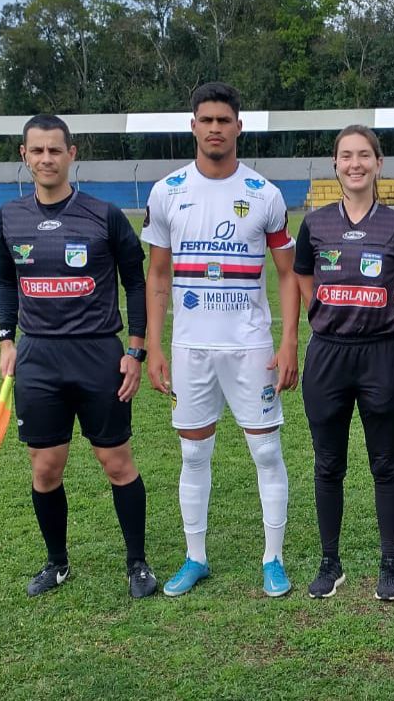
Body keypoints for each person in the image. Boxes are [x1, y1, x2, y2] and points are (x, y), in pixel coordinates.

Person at [142, 81, 300, 599]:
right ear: (193, 126)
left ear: (238, 127)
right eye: (206, 120)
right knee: (193, 456)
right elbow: (157, 275)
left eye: (223, 120)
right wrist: (155, 346)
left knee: (267, 452)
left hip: (250, 347)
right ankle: (196, 557)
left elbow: (287, 274)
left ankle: (273, 559)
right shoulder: (167, 191)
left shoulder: (264, 194)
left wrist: (289, 341)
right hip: (190, 348)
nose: (215, 128)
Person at [0, 114, 156, 599]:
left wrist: (136, 350)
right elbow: (5, 280)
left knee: (116, 462)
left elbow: (136, 282)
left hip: (98, 354)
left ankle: (137, 563)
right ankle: (57, 562)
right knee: (45, 468)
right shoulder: (8, 217)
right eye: (37, 150)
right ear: (24, 156)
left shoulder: (104, 215)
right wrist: (6, 340)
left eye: (54, 150)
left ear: (71, 154)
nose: (46, 158)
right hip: (38, 359)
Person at [294, 125, 394, 601]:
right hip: (327, 355)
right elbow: (303, 277)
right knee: (328, 464)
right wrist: (325, 313)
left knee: (385, 464)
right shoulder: (315, 224)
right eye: (346, 156)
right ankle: (330, 562)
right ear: (335, 164)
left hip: (380, 354)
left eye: (364, 155)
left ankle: (389, 564)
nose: (355, 164)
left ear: (378, 163)